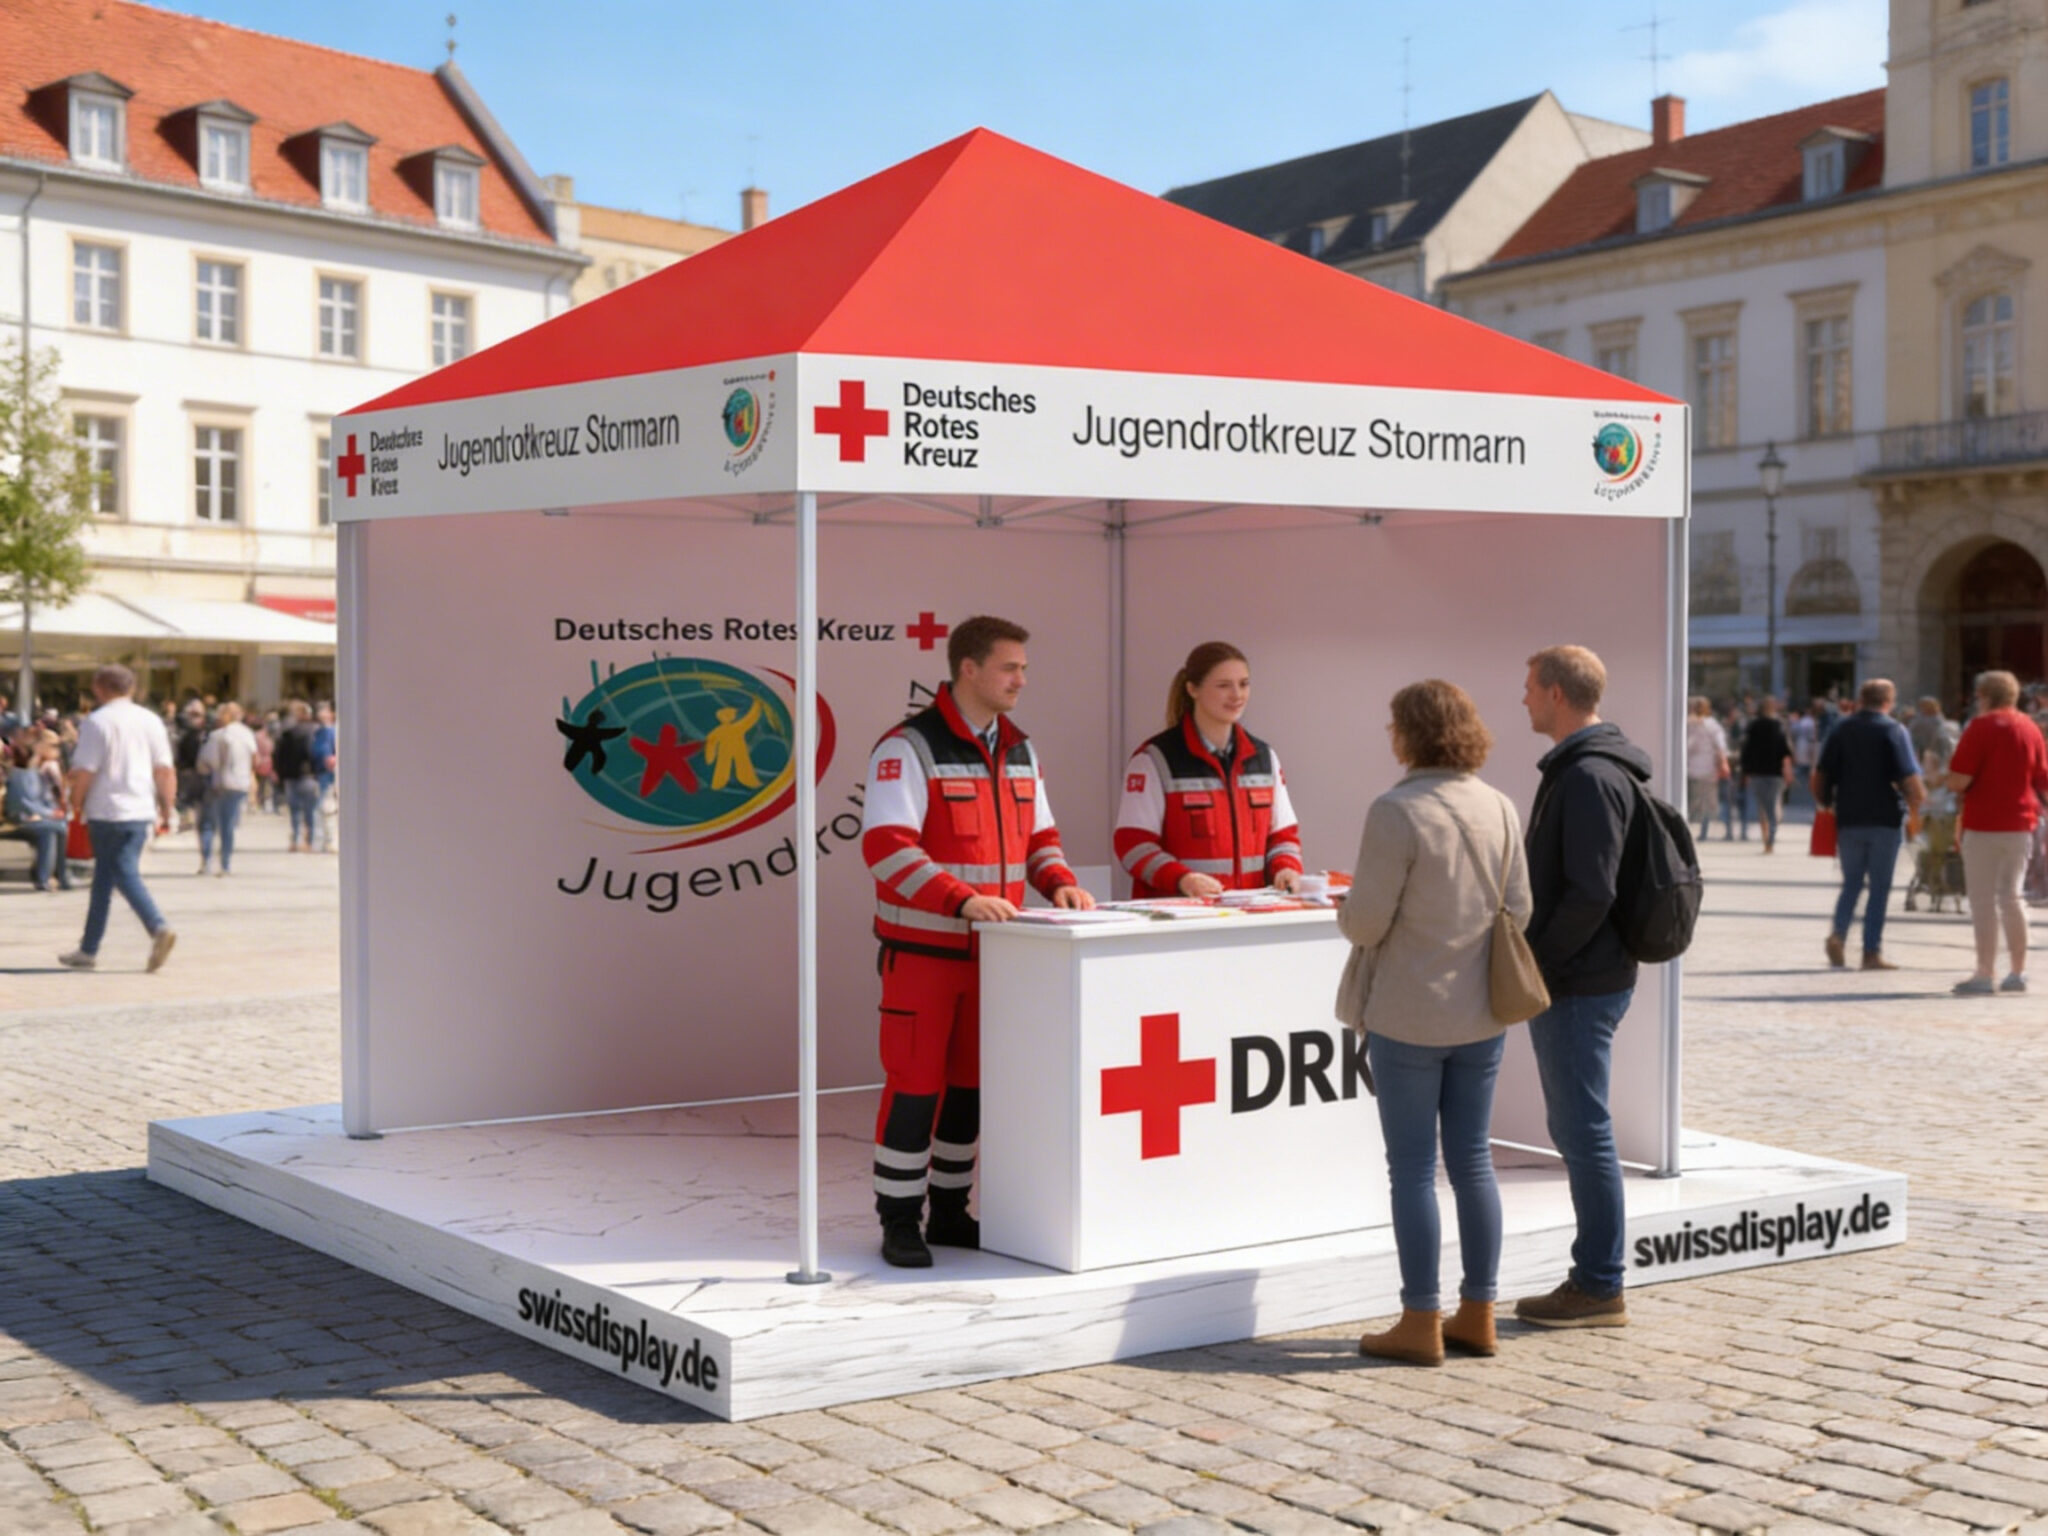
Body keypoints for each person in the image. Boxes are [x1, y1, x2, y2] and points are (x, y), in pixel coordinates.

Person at [859, 615, 1094, 1268]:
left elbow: (1040, 839)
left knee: (970, 1089)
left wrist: (1061, 884)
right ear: (969, 668)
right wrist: (960, 901)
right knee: (916, 1086)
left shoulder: (1020, 748)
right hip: (924, 960)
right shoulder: (907, 748)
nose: (1021, 679)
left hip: (997, 959)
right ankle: (899, 1219)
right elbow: (885, 848)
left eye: (1023, 668)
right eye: (1009, 668)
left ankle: (951, 1211)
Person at [1337, 680, 1528, 1366]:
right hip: (1482, 1012)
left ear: (1409, 733)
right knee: (1473, 1161)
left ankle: (1419, 1319)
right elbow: (1521, 909)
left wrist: (1343, 906)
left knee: (1413, 1170)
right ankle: (1478, 1312)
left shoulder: (1396, 811)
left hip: (1408, 1014)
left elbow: (1364, 921)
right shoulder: (1499, 805)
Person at [1517, 645, 1647, 1329]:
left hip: (1579, 981)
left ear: (1559, 695)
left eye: (1531, 687)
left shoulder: (1589, 775)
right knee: (1578, 1126)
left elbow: (1591, 891)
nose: (1524, 698)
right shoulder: (1590, 767)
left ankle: (1599, 1283)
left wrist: (1538, 962)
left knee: (1582, 1129)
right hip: (1587, 975)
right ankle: (1597, 1277)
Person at [1114, 641, 1303, 899]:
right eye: (1224, 685)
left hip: (1250, 916)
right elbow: (1132, 844)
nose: (1237, 695)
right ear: (1192, 689)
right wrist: (1182, 879)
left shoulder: (1264, 759)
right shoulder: (1155, 760)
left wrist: (1286, 869)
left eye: (1244, 684)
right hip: (1179, 920)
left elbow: (1283, 835)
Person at [59, 664, 176, 973]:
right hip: (140, 808)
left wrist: (76, 804)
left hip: (107, 808)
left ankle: (157, 926)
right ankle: (88, 949)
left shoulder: (98, 722)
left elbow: (85, 770)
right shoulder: (151, 720)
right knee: (104, 880)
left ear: (100, 688)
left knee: (122, 871)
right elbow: (164, 769)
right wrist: (167, 807)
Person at [1811, 678, 1924, 972]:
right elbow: (1909, 778)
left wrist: (1825, 803)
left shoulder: (1841, 729)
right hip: (1885, 818)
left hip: (1848, 817)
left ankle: (1838, 933)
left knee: (1851, 882)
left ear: (1861, 698)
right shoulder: (1893, 730)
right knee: (1879, 887)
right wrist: (1917, 806)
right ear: (1889, 701)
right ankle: (1871, 952)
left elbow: (1821, 774)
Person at [1946, 670, 2048, 995]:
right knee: (2012, 896)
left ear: (1984, 696)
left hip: (1983, 822)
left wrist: (1947, 781)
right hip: (2021, 823)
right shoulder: (2030, 728)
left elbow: (1960, 778)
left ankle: (1984, 972)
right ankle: (2017, 973)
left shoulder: (1980, 727)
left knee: (1982, 901)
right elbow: (2042, 778)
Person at [197, 701, 258, 876]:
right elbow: (255, 759)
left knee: (208, 823)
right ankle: (225, 863)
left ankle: (207, 861)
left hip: (220, 783)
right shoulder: (247, 734)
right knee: (228, 825)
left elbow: (207, 762)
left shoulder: (217, 736)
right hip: (240, 783)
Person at [5, 738, 73, 892]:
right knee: (48, 830)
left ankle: (62, 876)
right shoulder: (18, 776)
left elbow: (43, 797)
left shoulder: (34, 773)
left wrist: (53, 812)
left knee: (61, 826)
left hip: (36, 814)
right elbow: (23, 803)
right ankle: (43, 879)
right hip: (22, 818)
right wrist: (48, 813)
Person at [1738, 697, 1795, 853]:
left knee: (1762, 807)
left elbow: (1746, 750)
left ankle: (1766, 838)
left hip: (1757, 772)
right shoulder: (1779, 726)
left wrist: (1745, 770)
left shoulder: (1753, 726)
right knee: (1772, 806)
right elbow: (1786, 751)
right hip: (1775, 772)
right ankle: (1771, 838)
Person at [274, 701, 322, 851]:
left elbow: (278, 756)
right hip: (309, 775)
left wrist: (281, 775)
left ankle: (296, 839)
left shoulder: (287, 733)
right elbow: (315, 754)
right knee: (311, 811)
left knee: (295, 811)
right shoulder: (316, 732)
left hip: (291, 776)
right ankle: (311, 841)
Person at [1683, 696, 1727, 843]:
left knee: (1693, 801)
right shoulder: (1712, 725)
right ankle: (1703, 831)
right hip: (1708, 769)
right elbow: (1720, 746)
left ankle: (1690, 828)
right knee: (1708, 802)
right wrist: (1723, 763)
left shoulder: (1687, 724)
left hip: (1690, 768)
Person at [312, 701, 339, 852]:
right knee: (324, 809)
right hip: (323, 773)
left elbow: (327, 755)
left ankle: (329, 840)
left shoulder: (329, 732)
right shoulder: (321, 731)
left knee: (326, 808)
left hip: (328, 774)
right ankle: (326, 840)